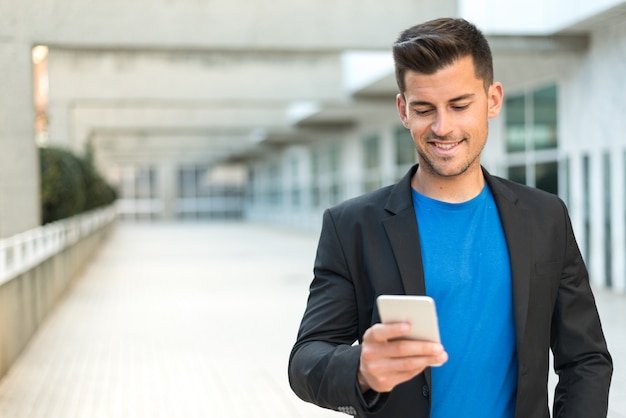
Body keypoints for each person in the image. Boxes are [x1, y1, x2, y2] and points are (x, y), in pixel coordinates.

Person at [288, 17, 612, 418]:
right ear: (403, 110)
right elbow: (305, 361)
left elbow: (585, 359)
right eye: (424, 109)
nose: (443, 127)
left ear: (493, 100)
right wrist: (360, 369)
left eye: (460, 105)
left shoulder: (545, 217)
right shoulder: (353, 226)